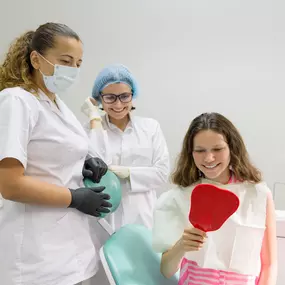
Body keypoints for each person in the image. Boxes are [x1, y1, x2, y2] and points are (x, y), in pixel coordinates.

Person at [0, 22, 112, 285]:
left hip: (69, 248)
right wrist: (74, 198)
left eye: (78, 63)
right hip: (35, 256)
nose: (72, 70)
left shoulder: (58, 104)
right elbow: (9, 184)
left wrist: (83, 162)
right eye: (65, 60)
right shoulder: (16, 100)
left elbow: (56, 156)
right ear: (36, 60)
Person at [152, 113, 277, 285]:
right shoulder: (178, 197)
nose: (209, 158)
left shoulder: (258, 195)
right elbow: (166, 270)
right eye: (200, 150)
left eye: (217, 149)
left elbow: (269, 265)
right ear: (191, 153)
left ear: (232, 148)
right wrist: (182, 245)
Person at [81, 64, 170, 231]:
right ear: (99, 98)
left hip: (143, 216)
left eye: (124, 96)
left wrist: (129, 173)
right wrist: (95, 119)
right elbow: (98, 166)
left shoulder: (150, 128)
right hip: (105, 218)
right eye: (110, 97)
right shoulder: (90, 130)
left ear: (132, 95)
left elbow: (162, 173)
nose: (118, 104)